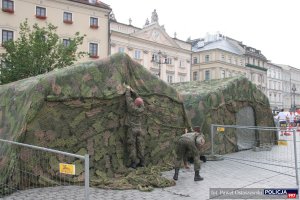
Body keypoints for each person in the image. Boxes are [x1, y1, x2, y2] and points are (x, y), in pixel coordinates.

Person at [125, 85, 145, 169]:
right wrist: (135, 93)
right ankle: (142, 162)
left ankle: (133, 163)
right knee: (140, 145)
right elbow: (141, 101)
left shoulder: (132, 108)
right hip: (139, 129)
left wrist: (128, 90)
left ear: (135, 103)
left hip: (132, 129)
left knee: (132, 146)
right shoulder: (142, 109)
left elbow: (128, 99)